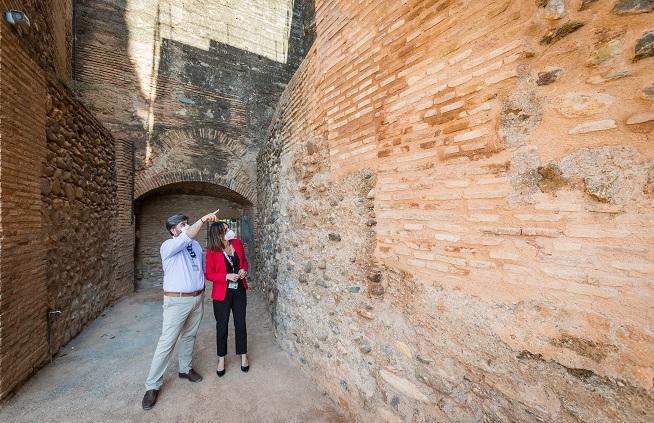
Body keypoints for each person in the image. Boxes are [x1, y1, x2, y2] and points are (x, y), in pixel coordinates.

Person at [141, 209, 220, 410]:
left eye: (187, 223)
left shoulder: (194, 244)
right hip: (177, 301)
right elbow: (189, 235)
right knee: (167, 342)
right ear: (173, 231)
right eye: (182, 225)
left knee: (189, 336)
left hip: (196, 299)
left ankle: (185, 369)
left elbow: (200, 268)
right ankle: (152, 386)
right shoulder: (168, 245)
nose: (186, 226)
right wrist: (202, 220)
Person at [205, 221, 249, 376]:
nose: (229, 230)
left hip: (239, 290)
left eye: (228, 228)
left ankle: (243, 355)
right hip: (221, 293)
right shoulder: (211, 251)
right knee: (222, 326)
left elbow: (244, 261)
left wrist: (243, 269)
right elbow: (209, 274)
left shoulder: (237, 243)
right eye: (226, 229)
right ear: (218, 233)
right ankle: (221, 359)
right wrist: (226, 276)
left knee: (240, 323)